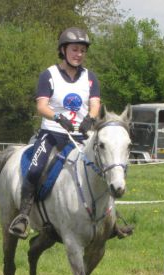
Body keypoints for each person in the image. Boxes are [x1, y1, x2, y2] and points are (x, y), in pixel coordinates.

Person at [9, 27, 133, 240]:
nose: (79, 54)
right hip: (53, 134)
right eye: (75, 49)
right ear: (63, 50)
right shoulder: (49, 75)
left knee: (103, 168)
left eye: (82, 51)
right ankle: (23, 216)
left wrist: (90, 119)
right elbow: (41, 106)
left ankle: (110, 220)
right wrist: (58, 117)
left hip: (81, 136)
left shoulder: (90, 77)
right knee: (35, 169)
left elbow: (95, 104)